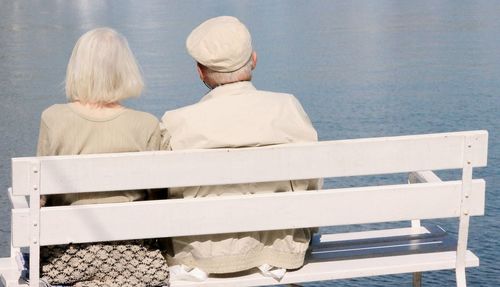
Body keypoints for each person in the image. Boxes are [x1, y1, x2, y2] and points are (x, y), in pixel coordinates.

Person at [161, 16, 320, 277]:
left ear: (200, 71)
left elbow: (167, 196)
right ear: (254, 59)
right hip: (282, 251)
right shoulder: (286, 108)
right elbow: (312, 183)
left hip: (201, 255)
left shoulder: (177, 122)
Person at [36, 27, 169, 286]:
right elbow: (157, 201)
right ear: (125, 70)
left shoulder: (53, 118)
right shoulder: (146, 124)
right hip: (134, 260)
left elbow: (41, 196)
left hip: (67, 259)